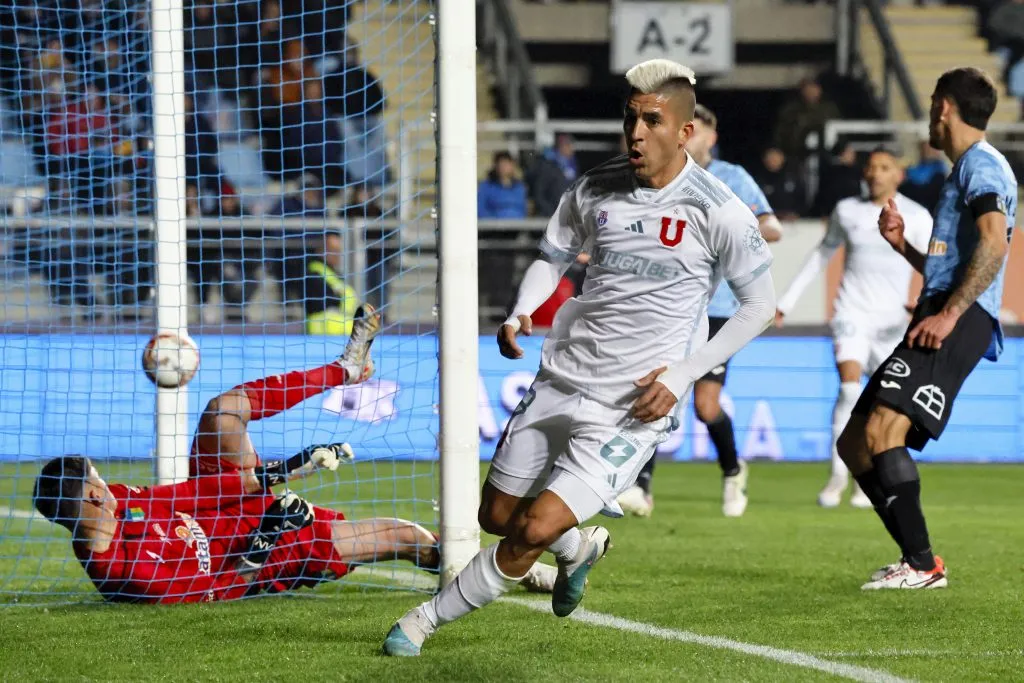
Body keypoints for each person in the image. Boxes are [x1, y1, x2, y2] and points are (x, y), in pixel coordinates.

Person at [382, 58, 776, 656]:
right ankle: (578, 546)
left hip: (630, 408)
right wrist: (521, 312)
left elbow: (759, 306)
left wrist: (682, 374)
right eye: (630, 120)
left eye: (651, 120)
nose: (636, 133)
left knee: (533, 528)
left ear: (684, 131)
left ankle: (422, 622)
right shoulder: (594, 186)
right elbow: (553, 257)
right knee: (498, 515)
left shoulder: (718, 209)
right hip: (561, 378)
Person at [34, 307, 554, 602]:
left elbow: (190, 494)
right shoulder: (129, 575)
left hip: (227, 509)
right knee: (406, 537)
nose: (109, 489)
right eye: (98, 487)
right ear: (87, 503)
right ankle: (509, 569)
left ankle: (344, 370)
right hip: (263, 554)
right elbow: (220, 591)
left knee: (223, 410)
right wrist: (266, 536)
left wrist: (281, 471)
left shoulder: (122, 505)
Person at [839, 67, 1016, 590]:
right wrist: (905, 248)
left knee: (882, 432)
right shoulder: (962, 171)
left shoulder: (983, 167)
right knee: (855, 442)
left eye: (932, 106)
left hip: (957, 320)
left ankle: (921, 564)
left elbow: (995, 242)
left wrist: (951, 314)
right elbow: (957, 263)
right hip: (943, 310)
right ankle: (917, 560)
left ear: (943, 107)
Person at [616, 104, 783, 519]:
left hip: (721, 306)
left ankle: (732, 469)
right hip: (671, 303)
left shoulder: (732, 178)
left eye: (702, 128)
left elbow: (773, 227)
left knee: (705, 406)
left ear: (710, 134)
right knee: (656, 388)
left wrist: (729, 227)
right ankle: (641, 485)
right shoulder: (660, 174)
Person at [774, 148, 933, 509]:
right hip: (852, 313)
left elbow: (932, 268)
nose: (875, 173)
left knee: (880, 405)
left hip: (893, 321)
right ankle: (836, 475)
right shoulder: (847, 210)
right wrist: (785, 301)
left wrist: (925, 307)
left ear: (899, 175)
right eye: (871, 167)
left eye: (884, 167)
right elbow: (821, 254)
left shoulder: (919, 217)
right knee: (848, 391)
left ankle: (865, 478)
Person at [754, 147, 806, 220]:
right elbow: (754, 203)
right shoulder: (758, 181)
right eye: (770, 157)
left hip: (793, 222)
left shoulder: (793, 178)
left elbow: (802, 200)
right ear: (764, 160)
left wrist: (797, 213)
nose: (773, 160)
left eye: (776, 157)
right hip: (768, 221)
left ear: (782, 158)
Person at [477, 151, 528, 219]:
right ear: (495, 166)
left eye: (506, 164)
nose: (503, 168)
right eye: (501, 165)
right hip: (493, 227)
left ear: (512, 165)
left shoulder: (520, 188)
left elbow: (523, 210)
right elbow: (480, 210)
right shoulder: (486, 186)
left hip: (518, 227)